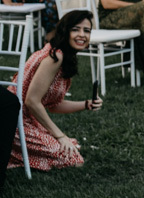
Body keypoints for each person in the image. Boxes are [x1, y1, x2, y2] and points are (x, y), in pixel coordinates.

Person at [8, 9, 103, 172]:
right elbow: (32, 101)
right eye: (76, 29)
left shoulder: (61, 53)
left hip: (27, 119)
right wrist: (59, 135)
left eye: (87, 31)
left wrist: (86, 104)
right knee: (72, 158)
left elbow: (53, 105)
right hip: (13, 122)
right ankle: (10, 151)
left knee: (72, 147)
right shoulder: (55, 56)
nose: (82, 35)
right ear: (65, 31)